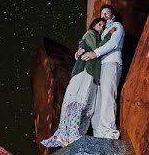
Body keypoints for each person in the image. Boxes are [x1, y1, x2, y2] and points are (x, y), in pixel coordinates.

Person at [40, 18, 108, 147]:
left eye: (103, 26)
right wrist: (108, 36)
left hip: (91, 73)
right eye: (99, 24)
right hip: (85, 71)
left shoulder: (94, 37)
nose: (102, 27)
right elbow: (95, 48)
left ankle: (73, 135)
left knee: (87, 104)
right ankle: (69, 133)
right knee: (79, 100)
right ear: (93, 25)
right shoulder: (90, 34)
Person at [80, 5, 124, 139]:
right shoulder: (102, 32)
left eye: (107, 13)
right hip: (101, 66)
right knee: (99, 99)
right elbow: (89, 39)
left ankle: (109, 131)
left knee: (108, 95)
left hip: (111, 62)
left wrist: (95, 53)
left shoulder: (116, 26)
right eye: (102, 13)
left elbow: (113, 44)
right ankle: (99, 132)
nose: (104, 15)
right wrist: (81, 48)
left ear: (112, 16)